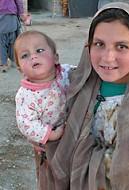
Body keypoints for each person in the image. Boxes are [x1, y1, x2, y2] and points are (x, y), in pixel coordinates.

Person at [43, 2, 129, 190]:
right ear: (89, 45)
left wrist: (78, 153)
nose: (108, 57)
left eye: (122, 46)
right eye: (99, 44)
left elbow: (127, 176)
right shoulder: (78, 83)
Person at [14, 30, 73, 189]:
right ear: (20, 69)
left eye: (39, 51)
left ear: (55, 58)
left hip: (69, 134)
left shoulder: (66, 73)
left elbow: (82, 74)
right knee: (50, 176)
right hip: (47, 143)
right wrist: (50, 134)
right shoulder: (26, 95)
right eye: (25, 55)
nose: (33, 56)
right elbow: (26, 123)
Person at [0, 0, 28, 72]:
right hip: (10, 15)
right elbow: (18, 2)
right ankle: (13, 61)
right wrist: (21, 13)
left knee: (2, 42)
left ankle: (4, 63)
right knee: (12, 41)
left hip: (7, 15)